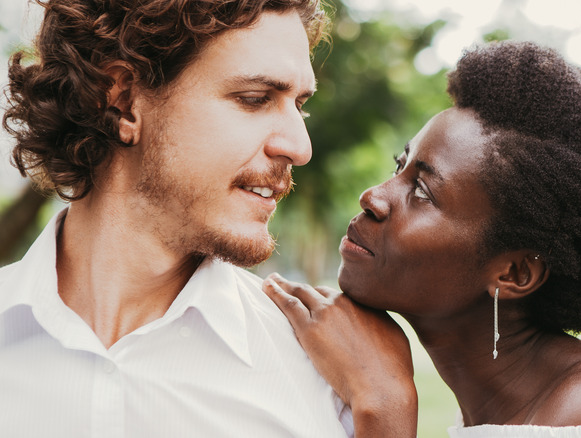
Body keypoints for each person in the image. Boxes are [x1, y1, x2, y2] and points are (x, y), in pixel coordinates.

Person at [0, 0, 416, 436]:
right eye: (255, 99)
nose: (300, 146)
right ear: (123, 100)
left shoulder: (330, 380)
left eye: (300, 105)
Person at [262, 41, 581, 437]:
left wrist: (385, 405)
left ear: (515, 273)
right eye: (400, 166)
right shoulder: (510, 404)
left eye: (423, 193)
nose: (373, 196)